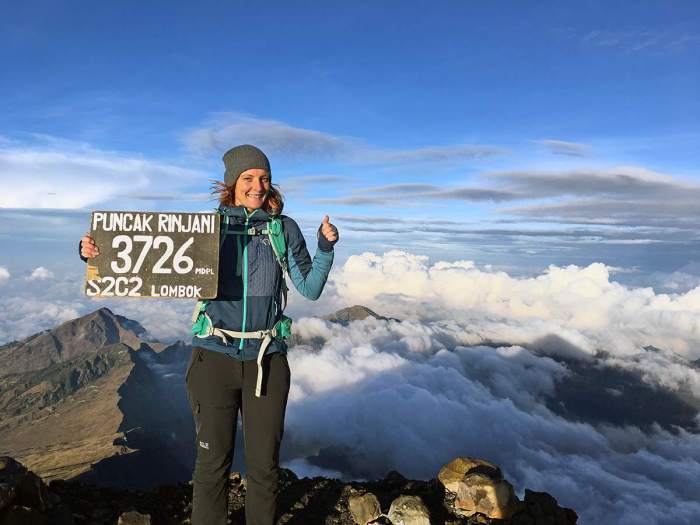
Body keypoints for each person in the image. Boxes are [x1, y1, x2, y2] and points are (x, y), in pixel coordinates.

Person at [79, 144, 339, 525]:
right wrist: (95, 255)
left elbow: (311, 287)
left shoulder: (282, 229)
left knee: (264, 466)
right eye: (248, 178)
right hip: (213, 356)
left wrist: (325, 247)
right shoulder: (207, 229)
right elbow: (149, 260)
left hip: (267, 359)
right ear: (232, 184)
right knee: (212, 462)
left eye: (264, 178)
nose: (257, 185)